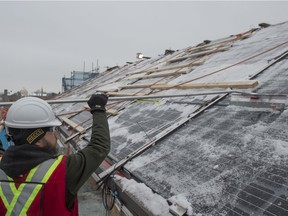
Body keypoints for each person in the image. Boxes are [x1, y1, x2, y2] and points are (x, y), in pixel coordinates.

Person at [0, 94, 110, 215]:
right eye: (51, 130)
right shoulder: (63, 170)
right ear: (37, 140)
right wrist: (98, 109)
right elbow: (99, 147)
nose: (56, 135)